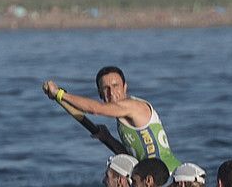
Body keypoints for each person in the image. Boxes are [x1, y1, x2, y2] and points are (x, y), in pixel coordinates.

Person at [43, 66, 180, 169]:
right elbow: (132, 158)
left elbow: (95, 109)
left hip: (170, 176)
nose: (112, 92)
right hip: (152, 179)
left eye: (116, 86)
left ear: (125, 87)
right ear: (100, 93)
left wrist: (59, 93)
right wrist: (108, 138)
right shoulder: (122, 117)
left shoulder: (134, 106)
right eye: (106, 88)